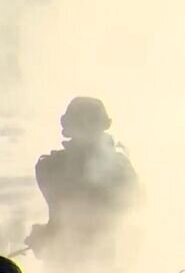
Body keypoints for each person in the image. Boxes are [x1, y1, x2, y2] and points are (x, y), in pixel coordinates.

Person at [26, 97, 140, 260]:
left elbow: (133, 205)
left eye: (90, 125)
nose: (86, 132)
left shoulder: (52, 166)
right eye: (82, 125)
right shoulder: (52, 166)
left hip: (100, 260)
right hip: (65, 259)